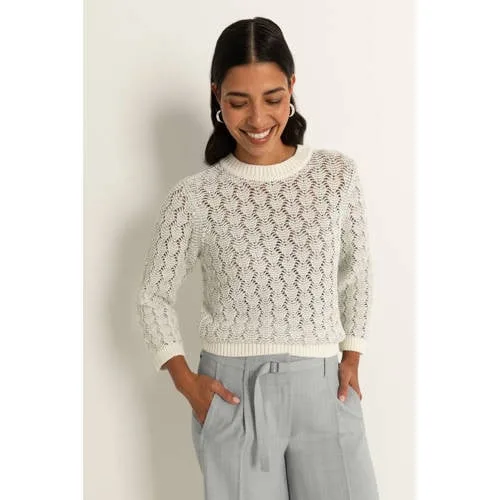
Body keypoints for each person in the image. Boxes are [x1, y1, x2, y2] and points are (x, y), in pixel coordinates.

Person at [137, 16, 379, 500]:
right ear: (216, 97)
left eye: (272, 98)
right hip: (231, 394)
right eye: (238, 101)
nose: (257, 118)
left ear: (292, 87)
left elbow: (357, 271)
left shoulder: (335, 176)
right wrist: (187, 383)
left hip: (324, 387)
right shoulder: (195, 197)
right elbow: (153, 296)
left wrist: (352, 353)